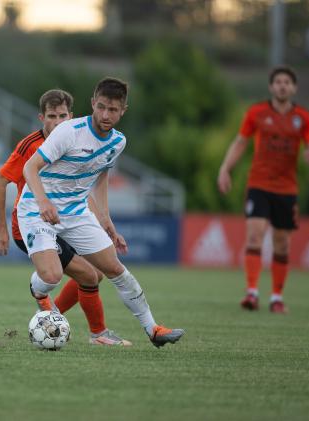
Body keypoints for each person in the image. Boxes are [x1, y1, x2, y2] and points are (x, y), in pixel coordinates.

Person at [18, 77, 184, 348]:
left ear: (123, 111)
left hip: (76, 213)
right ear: (93, 103)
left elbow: (101, 176)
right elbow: (30, 168)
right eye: (102, 107)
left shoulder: (118, 142)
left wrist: (106, 220)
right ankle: (38, 290)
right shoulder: (69, 132)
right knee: (52, 277)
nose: (106, 115)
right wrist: (44, 202)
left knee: (114, 269)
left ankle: (153, 329)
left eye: (114, 110)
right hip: (37, 211)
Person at [0, 89, 131, 346]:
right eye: (52, 116)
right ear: (41, 118)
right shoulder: (29, 145)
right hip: (32, 224)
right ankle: (94, 332)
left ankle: (50, 318)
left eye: (62, 116)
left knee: (94, 275)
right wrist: (0, 228)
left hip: (62, 222)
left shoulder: (75, 140)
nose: (57, 122)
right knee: (87, 276)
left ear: (72, 116)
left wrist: (103, 220)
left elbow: (77, 189)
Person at [218, 66, 309, 313]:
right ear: (271, 87)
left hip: (287, 189)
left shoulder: (304, 118)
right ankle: (252, 293)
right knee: (254, 235)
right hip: (259, 185)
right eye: (278, 82)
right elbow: (240, 142)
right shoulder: (256, 113)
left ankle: (277, 297)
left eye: (287, 82)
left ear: (294, 88)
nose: (282, 85)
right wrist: (225, 168)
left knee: (282, 244)